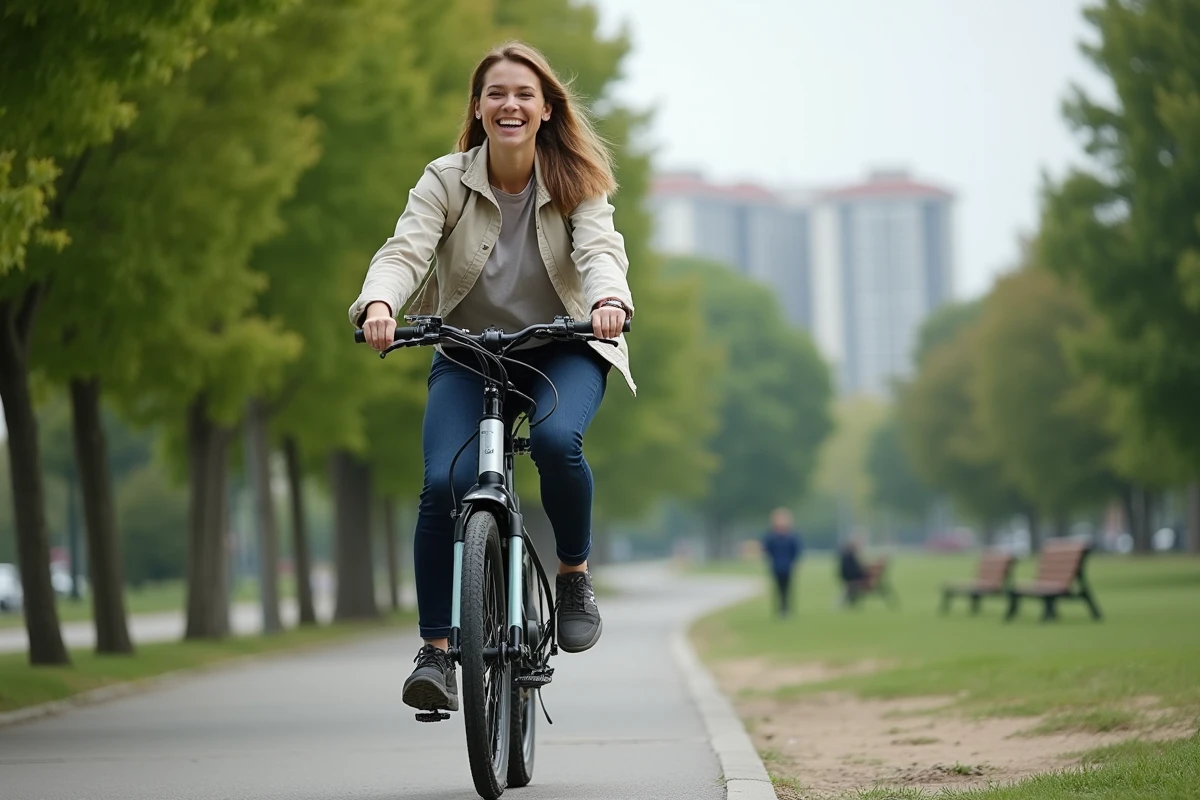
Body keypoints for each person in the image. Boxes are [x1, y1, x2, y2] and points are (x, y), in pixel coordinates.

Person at [348, 41, 636, 714]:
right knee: (443, 484)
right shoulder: (446, 179)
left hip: (563, 347)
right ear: (477, 108)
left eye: (524, 94)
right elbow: (406, 249)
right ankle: (435, 653)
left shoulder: (577, 181)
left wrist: (608, 301)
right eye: (496, 93)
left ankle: (572, 574)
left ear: (545, 109)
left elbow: (600, 250)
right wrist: (381, 303)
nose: (510, 104)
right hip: (468, 351)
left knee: (558, 443)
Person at [761, 508, 803, 616]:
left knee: (787, 588)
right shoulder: (772, 537)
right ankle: (780, 609)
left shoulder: (791, 537)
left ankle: (786, 608)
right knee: (778, 588)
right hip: (776, 566)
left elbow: (796, 551)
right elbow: (767, 550)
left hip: (788, 566)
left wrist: (795, 564)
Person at [838, 537, 869, 607]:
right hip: (851, 578)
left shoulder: (847, 555)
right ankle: (848, 603)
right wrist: (863, 574)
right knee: (850, 590)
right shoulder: (849, 556)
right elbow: (854, 569)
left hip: (848, 578)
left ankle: (848, 603)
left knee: (849, 592)